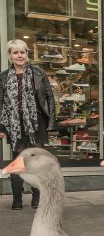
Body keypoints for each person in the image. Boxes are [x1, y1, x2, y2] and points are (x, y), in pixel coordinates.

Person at [0, 39, 55, 210]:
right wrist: (1, 127)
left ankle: (36, 197)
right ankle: (17, 198)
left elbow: (49, 97)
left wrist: (51, 122)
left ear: (27, 54)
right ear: (10, 55)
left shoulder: (38, 73)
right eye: (15, 52)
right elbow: (1, 102)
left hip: (36, 122)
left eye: (22, 52)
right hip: (15, 125)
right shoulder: (3, 77)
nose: (19, 56)